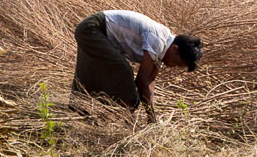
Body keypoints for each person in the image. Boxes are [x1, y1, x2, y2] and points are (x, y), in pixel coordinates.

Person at [71, 8, 203, 123]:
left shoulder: (162, 51)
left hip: (98, 33)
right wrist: (151, 116)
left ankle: (79, 111)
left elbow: (150, 82)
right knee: (123, 70)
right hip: (92, 29)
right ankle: (125, 120)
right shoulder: (158, 40)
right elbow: (141, 80)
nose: (173, 66)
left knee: (95, 73)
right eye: (177, 63)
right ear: (174, 49)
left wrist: (152, 116)